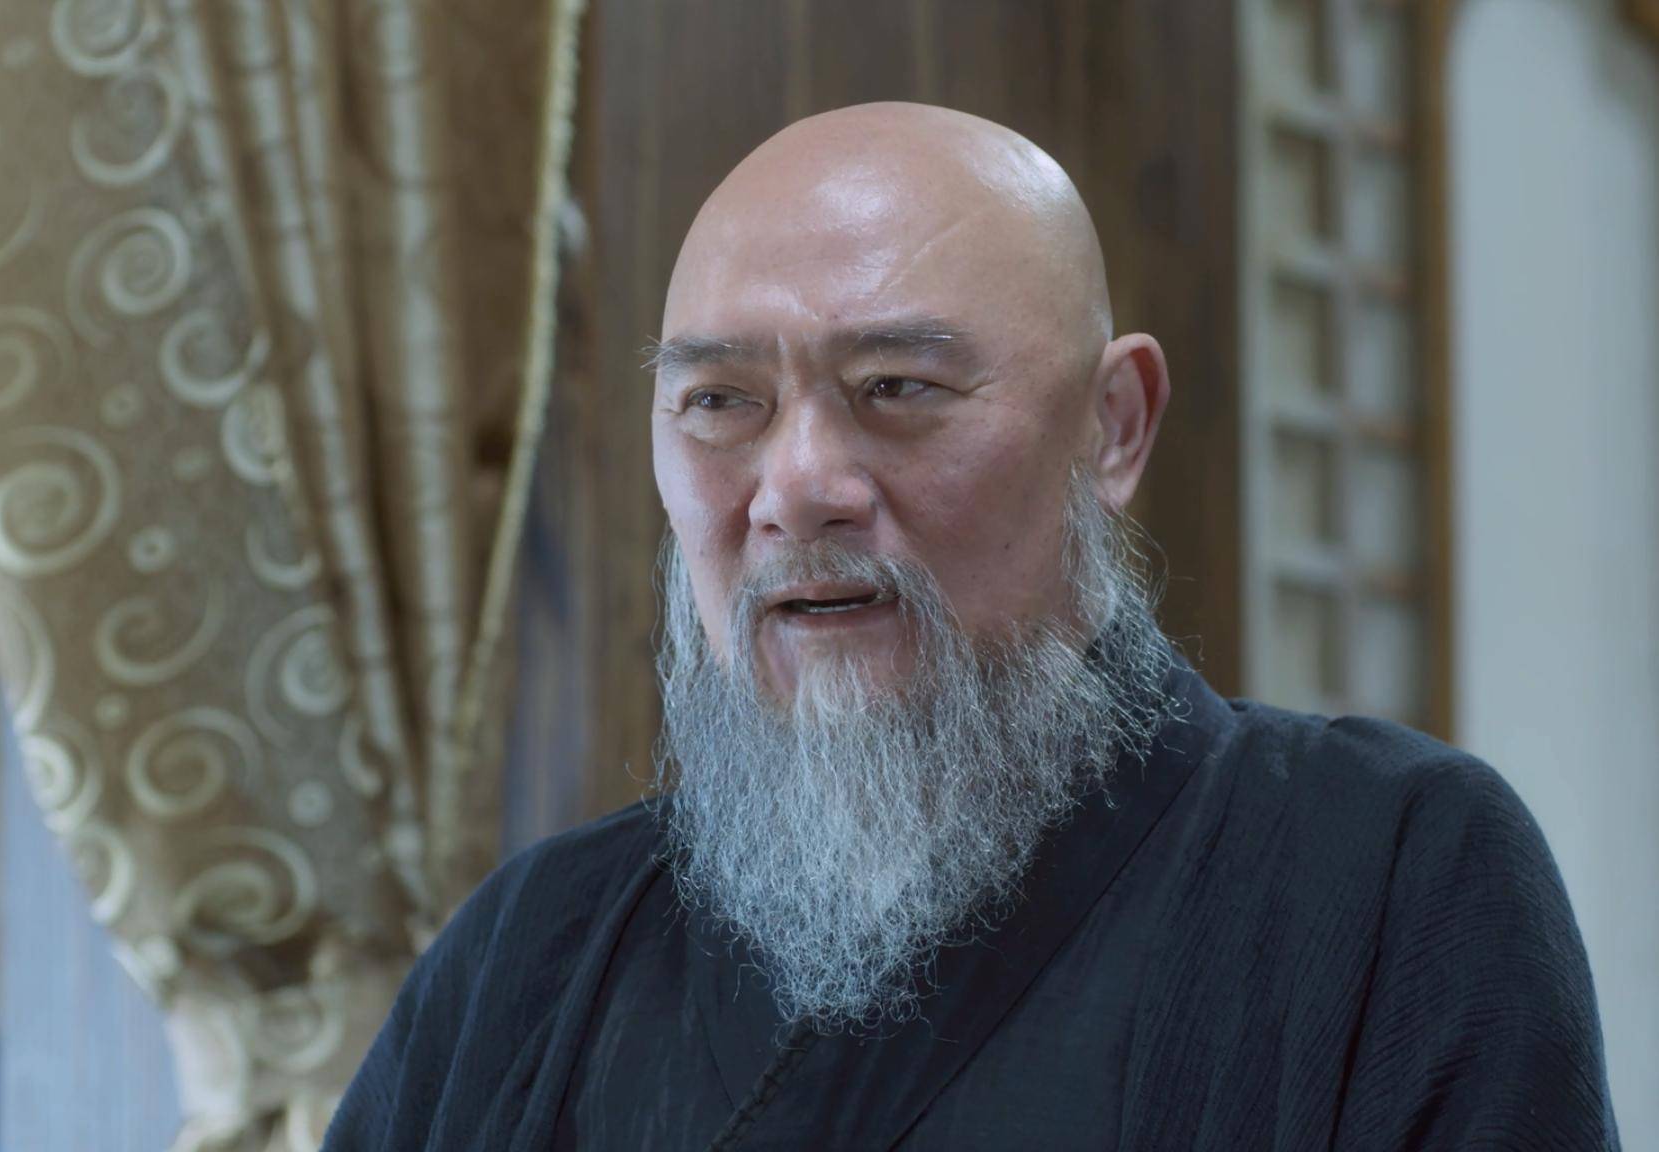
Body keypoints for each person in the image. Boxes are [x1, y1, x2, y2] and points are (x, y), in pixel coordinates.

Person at [324, 102, 1620, 1150]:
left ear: (1113, 427)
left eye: (897, 386)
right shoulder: (533, 959)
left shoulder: (1384, 877)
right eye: (719, 402)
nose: (794, 490)